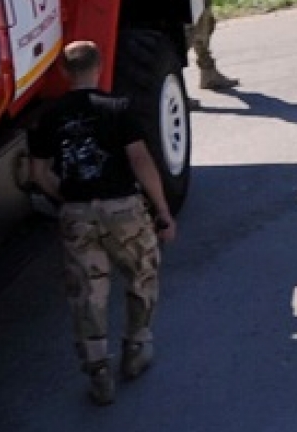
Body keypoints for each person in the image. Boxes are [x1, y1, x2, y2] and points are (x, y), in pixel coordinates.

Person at [28, 41, 177, 407]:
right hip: (123, 209)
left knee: (87, 293)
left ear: (64, 72)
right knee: (142, 273)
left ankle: (98, 372)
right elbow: (140, 160)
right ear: (100, 65)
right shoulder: (118, 108)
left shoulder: (49, 116)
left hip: (77, 214)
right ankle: (137, 347)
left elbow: (38, 172)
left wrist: (65, 198)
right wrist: (162, 211)